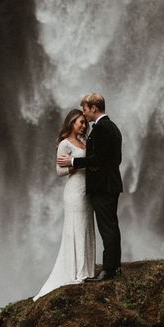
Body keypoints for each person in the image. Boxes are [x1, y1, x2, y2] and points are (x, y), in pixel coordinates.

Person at [57, 92, 122, 282]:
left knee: (107, 228)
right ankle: (114, 267)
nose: (84, 115)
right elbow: (115, 159)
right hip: (108, 184)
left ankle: (109, 270)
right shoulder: (112, 127)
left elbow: (98, 159)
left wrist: (73, 161)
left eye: (85, 110)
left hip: (103, 187)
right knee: (111, 227)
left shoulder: (101, 128)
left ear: (94, 108)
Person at [33, 109, 96, 300]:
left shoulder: (84, 141)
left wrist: (77, 161)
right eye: (79, 122)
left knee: (86, 225)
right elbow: (59, 172)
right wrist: (75, 164)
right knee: (76, 226)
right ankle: (77, 271)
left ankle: (87, 269)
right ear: (71, 123)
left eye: (84, 123)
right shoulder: (64, 144)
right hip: (74, 190)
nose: (83, 126)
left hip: (88, 189)